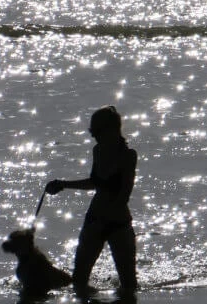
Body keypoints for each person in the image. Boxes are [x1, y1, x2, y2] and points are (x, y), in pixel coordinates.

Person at [46, 105, 138, 296]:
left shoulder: (128, 156)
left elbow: (124, 195)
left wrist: (105, 219)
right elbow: (94, 183)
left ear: (113, 129)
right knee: (78, 281)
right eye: (92, 131)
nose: (93, 136)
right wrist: (63, 184)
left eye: (97, 131)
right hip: (94, 220)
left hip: (118, 224)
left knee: (129, 286)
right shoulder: (97, 151)